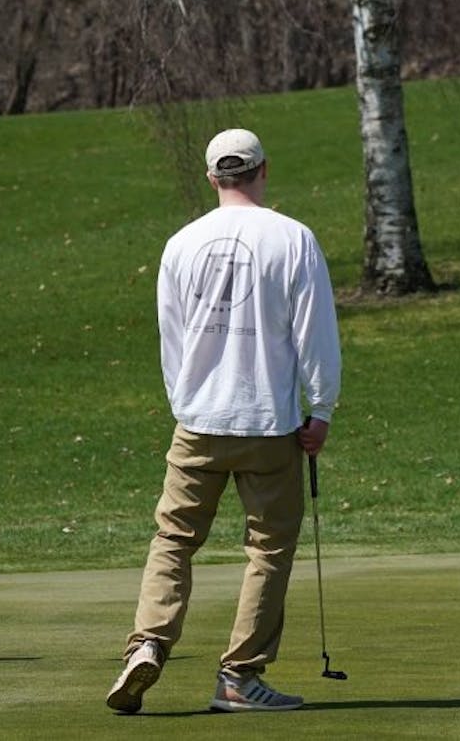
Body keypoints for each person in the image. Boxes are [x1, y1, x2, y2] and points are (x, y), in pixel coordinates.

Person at [106, 128, 342, 715]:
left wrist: (182, 402)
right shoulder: (294, 238)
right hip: (269, 423)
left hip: (199, 420)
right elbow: (316, 334)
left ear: (213, 178)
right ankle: (239, 675)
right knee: (268, 548)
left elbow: (171, 338)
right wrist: (322, 409)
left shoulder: (181, 243)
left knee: (173, 539)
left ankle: (148, 643)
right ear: (264, 170)